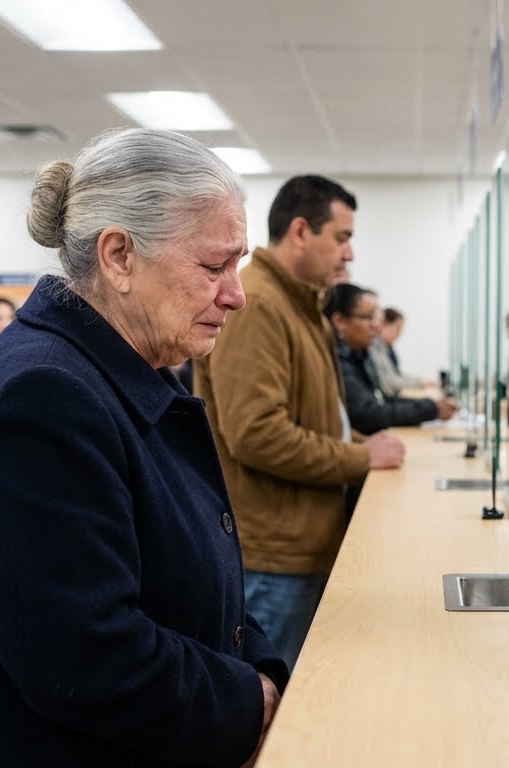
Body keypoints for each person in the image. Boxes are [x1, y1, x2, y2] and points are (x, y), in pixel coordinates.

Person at [0, 128, 288, 768]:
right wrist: (248, 700)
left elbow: (188, 580)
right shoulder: (41, 397)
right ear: (118, 256)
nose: (236, 294)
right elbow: (85, 655)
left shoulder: (130, 365)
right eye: (214, 267)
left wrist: (263, 673)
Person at [196, 175, 405, 671]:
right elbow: (256, 433)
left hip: (300, 545)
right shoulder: (260, 304)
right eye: (341, 237)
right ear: (299, 232)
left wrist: (356, 442)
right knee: (277, 715)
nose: (349, 253)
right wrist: (361, 457)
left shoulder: (300, 302)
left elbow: (319, 416)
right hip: (275, 558)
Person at [327, 284, 455, 434]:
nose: (376, 326)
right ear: (340, 322)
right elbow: (367, 413)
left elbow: (380, 399)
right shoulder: (340, 360)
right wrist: (429, 408)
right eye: (369, 317)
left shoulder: (358, 355)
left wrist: (430, 406)